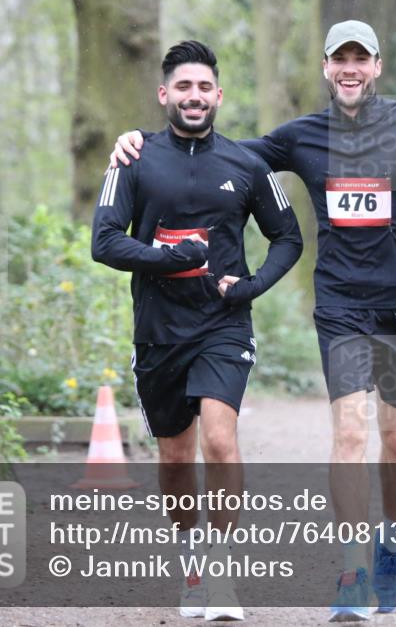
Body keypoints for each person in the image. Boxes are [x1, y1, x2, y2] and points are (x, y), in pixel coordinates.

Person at [110, 21, 396, 621]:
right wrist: (142, 143)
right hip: (340, 306)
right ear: (327, 68)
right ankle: (352, 570)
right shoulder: (303, 137)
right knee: (350, 436)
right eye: (339, 59)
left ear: (376, 66)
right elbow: (215, 155)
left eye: (361, 58)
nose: (350, 68)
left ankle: (393, 540)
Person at [91, 40, 302, 622]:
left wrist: (252, 287)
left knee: (218, 439)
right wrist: (173, 256)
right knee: (177, 457)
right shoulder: (133, 159)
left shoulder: (247, 164)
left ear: (219, 96)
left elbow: (289, 237)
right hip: (158, 330)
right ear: (164, 95)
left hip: (223, 324)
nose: (194, 96)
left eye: (204, 87)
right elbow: (104, 242)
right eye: (183, 87)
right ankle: (190, 561)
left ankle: (222, 571)